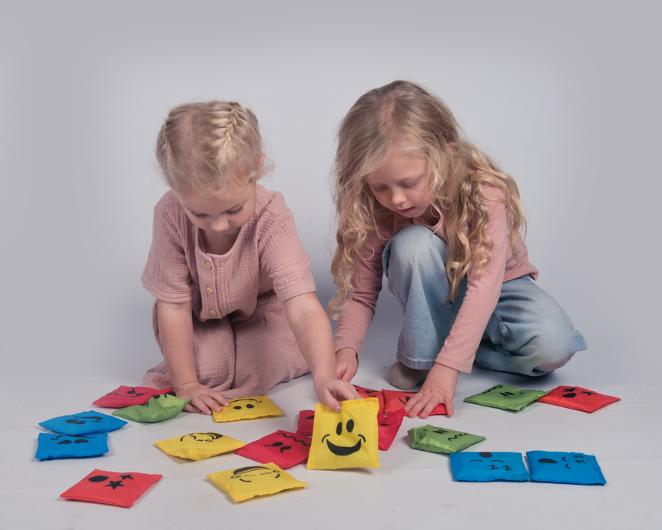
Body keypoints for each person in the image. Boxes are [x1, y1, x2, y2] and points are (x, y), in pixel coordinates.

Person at [330, 81, 586, 418]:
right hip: (440, 296)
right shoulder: (377, 210)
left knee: (555, 347)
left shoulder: (484, 192)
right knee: (412, 245)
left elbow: (484, 287)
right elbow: (362, 294)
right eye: (381, 187)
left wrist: (449, 367)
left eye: (408, 183)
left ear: (445, 155)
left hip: (500, 287)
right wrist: (346, 350)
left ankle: (464, 351)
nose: (397, 199)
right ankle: (422, 359)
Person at [142, 100, 356, 414]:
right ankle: (209, 360)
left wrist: (324, 375)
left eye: (233, 209)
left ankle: (249, 350)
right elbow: (173, 307)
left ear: (257, 169)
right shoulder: (169, 213)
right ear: (175, 189)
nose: (219, 225)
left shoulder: (271, 216)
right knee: (209, 373)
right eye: (200, 214)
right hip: (197, 318)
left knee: (268, 363)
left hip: (263, 310)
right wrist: (186, 384)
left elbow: (302, 306)